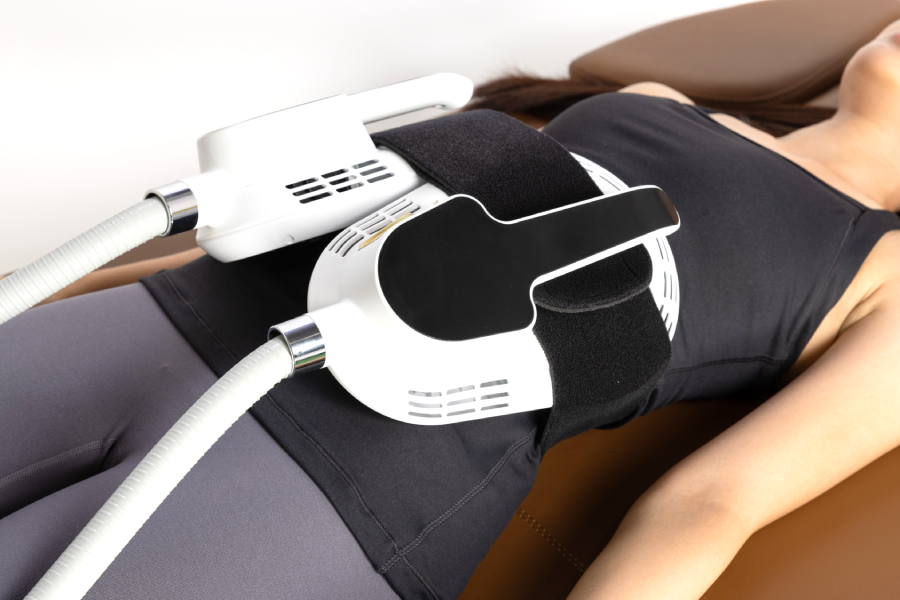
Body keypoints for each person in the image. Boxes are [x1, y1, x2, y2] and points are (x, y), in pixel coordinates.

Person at [2, 19, 899, 600]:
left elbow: (712, 504)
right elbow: (361, 217)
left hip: (354, 472)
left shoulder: (887, 274)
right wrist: (59, 288)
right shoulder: (652, 100)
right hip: (166, 323)